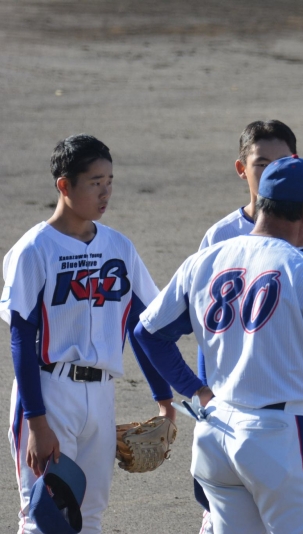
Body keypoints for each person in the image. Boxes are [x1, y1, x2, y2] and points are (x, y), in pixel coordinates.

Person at [133, 155, 303, 534]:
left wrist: (196, 390)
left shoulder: (204, 261)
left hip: (215, 433)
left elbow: (148, 334)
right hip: (278, 440)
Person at [195, 120, 303, 533]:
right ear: (242, 169)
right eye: (261, 163)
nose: (271, 171)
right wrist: (202, 393)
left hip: (301, 396)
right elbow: (205, 331)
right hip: (236, 401)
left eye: (282, 161)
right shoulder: (220, 235)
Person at [0, 135, 175, 534]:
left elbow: (144, 327)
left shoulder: (118, 247)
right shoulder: (34, 249)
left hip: (101, 396)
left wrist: (164, 398)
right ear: (64, 185)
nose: (105, 192)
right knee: (43, 518)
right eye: (95, 182)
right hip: (49, 393)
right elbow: (21, 338)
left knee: (90, 516)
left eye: (109, 181)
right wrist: (36, 423)